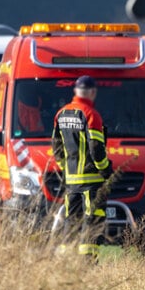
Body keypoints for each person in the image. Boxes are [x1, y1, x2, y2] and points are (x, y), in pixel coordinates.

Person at [51, 75, 113, 259]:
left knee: (72, 221)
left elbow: (56, 146)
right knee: (92, 220)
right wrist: (105, 169)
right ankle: (88, 263)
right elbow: (96, 147)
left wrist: (66, 167)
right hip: (91, 181)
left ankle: (67, 261)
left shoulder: (61, 114)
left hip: (71, 181)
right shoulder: (91, 115)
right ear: (93, 92)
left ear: (75, 92)